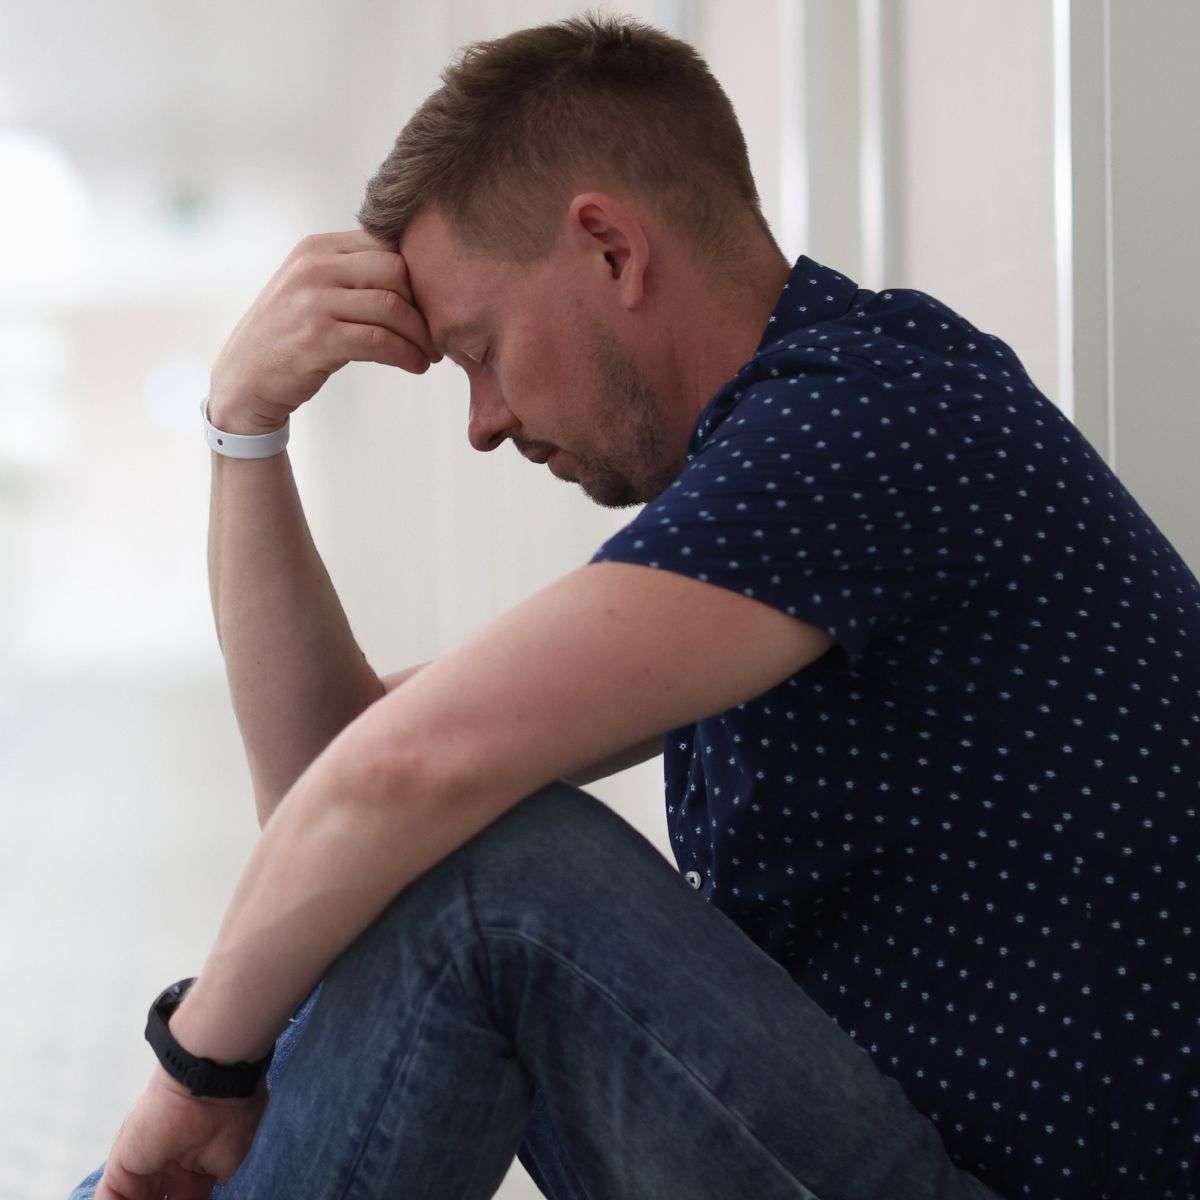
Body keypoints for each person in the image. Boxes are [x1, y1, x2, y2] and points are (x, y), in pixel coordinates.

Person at [70, 10, 1198, 1200]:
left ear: (609, 250)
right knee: (423, 836)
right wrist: (244, 437)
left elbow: (397, 779)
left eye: (481, 352)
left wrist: (195, 1069)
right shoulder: (802, 445)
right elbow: (333, 786)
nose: (484, 422)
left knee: (488, 874)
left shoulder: (861, 422)